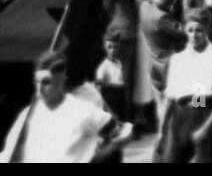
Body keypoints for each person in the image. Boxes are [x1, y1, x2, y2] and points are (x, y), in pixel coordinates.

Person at [1, 51, 129, 163]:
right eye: (38, 81)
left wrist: (99, 155)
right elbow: (11, 151)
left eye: (46, 82)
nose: (40, 88)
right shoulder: (30, 112)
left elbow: (120, 133)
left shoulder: (86, 105)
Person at [157, 9, 212, 164]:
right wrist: (161, 130)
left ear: (207, 30)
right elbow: (170, 98)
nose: (194, 34)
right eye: (190, 30)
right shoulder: (178, 59)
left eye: (199, 30)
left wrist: (206, 128)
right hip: (181, 118)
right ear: (185, 30)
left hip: (206, 115)